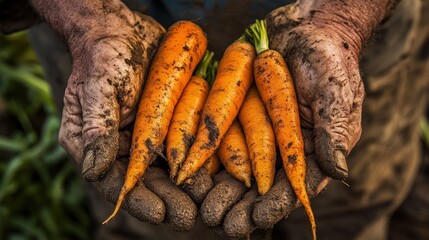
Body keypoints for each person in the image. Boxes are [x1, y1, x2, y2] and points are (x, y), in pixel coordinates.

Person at [1, 0, 428, 239]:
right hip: (100, 18)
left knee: (350, 200)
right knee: (146, 208)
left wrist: (342, 21)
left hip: (331, 17)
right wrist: (87, 22)